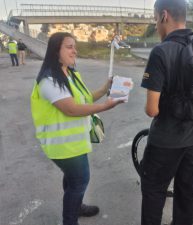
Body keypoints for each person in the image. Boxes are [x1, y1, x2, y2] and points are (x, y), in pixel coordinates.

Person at [31, 32, 124, 225]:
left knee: (74, 179)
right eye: (69, 47)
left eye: (75, 46)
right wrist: (106, 106)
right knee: (80, 180)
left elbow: (86, 98)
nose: (75, 50)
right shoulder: (49, 80)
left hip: (74, 143)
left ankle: (77, 206)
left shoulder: (70, 73)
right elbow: (71, 109)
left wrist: (106, 87)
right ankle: (70, 219)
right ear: (56, 51)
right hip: (62, 146)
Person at [140, 0, 193, 224]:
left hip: (165, 141)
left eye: (155, 19)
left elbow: (152, 110)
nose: (156, 24)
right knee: (186, 193)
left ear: (164, 16)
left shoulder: (161, 52)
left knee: (154, 191)